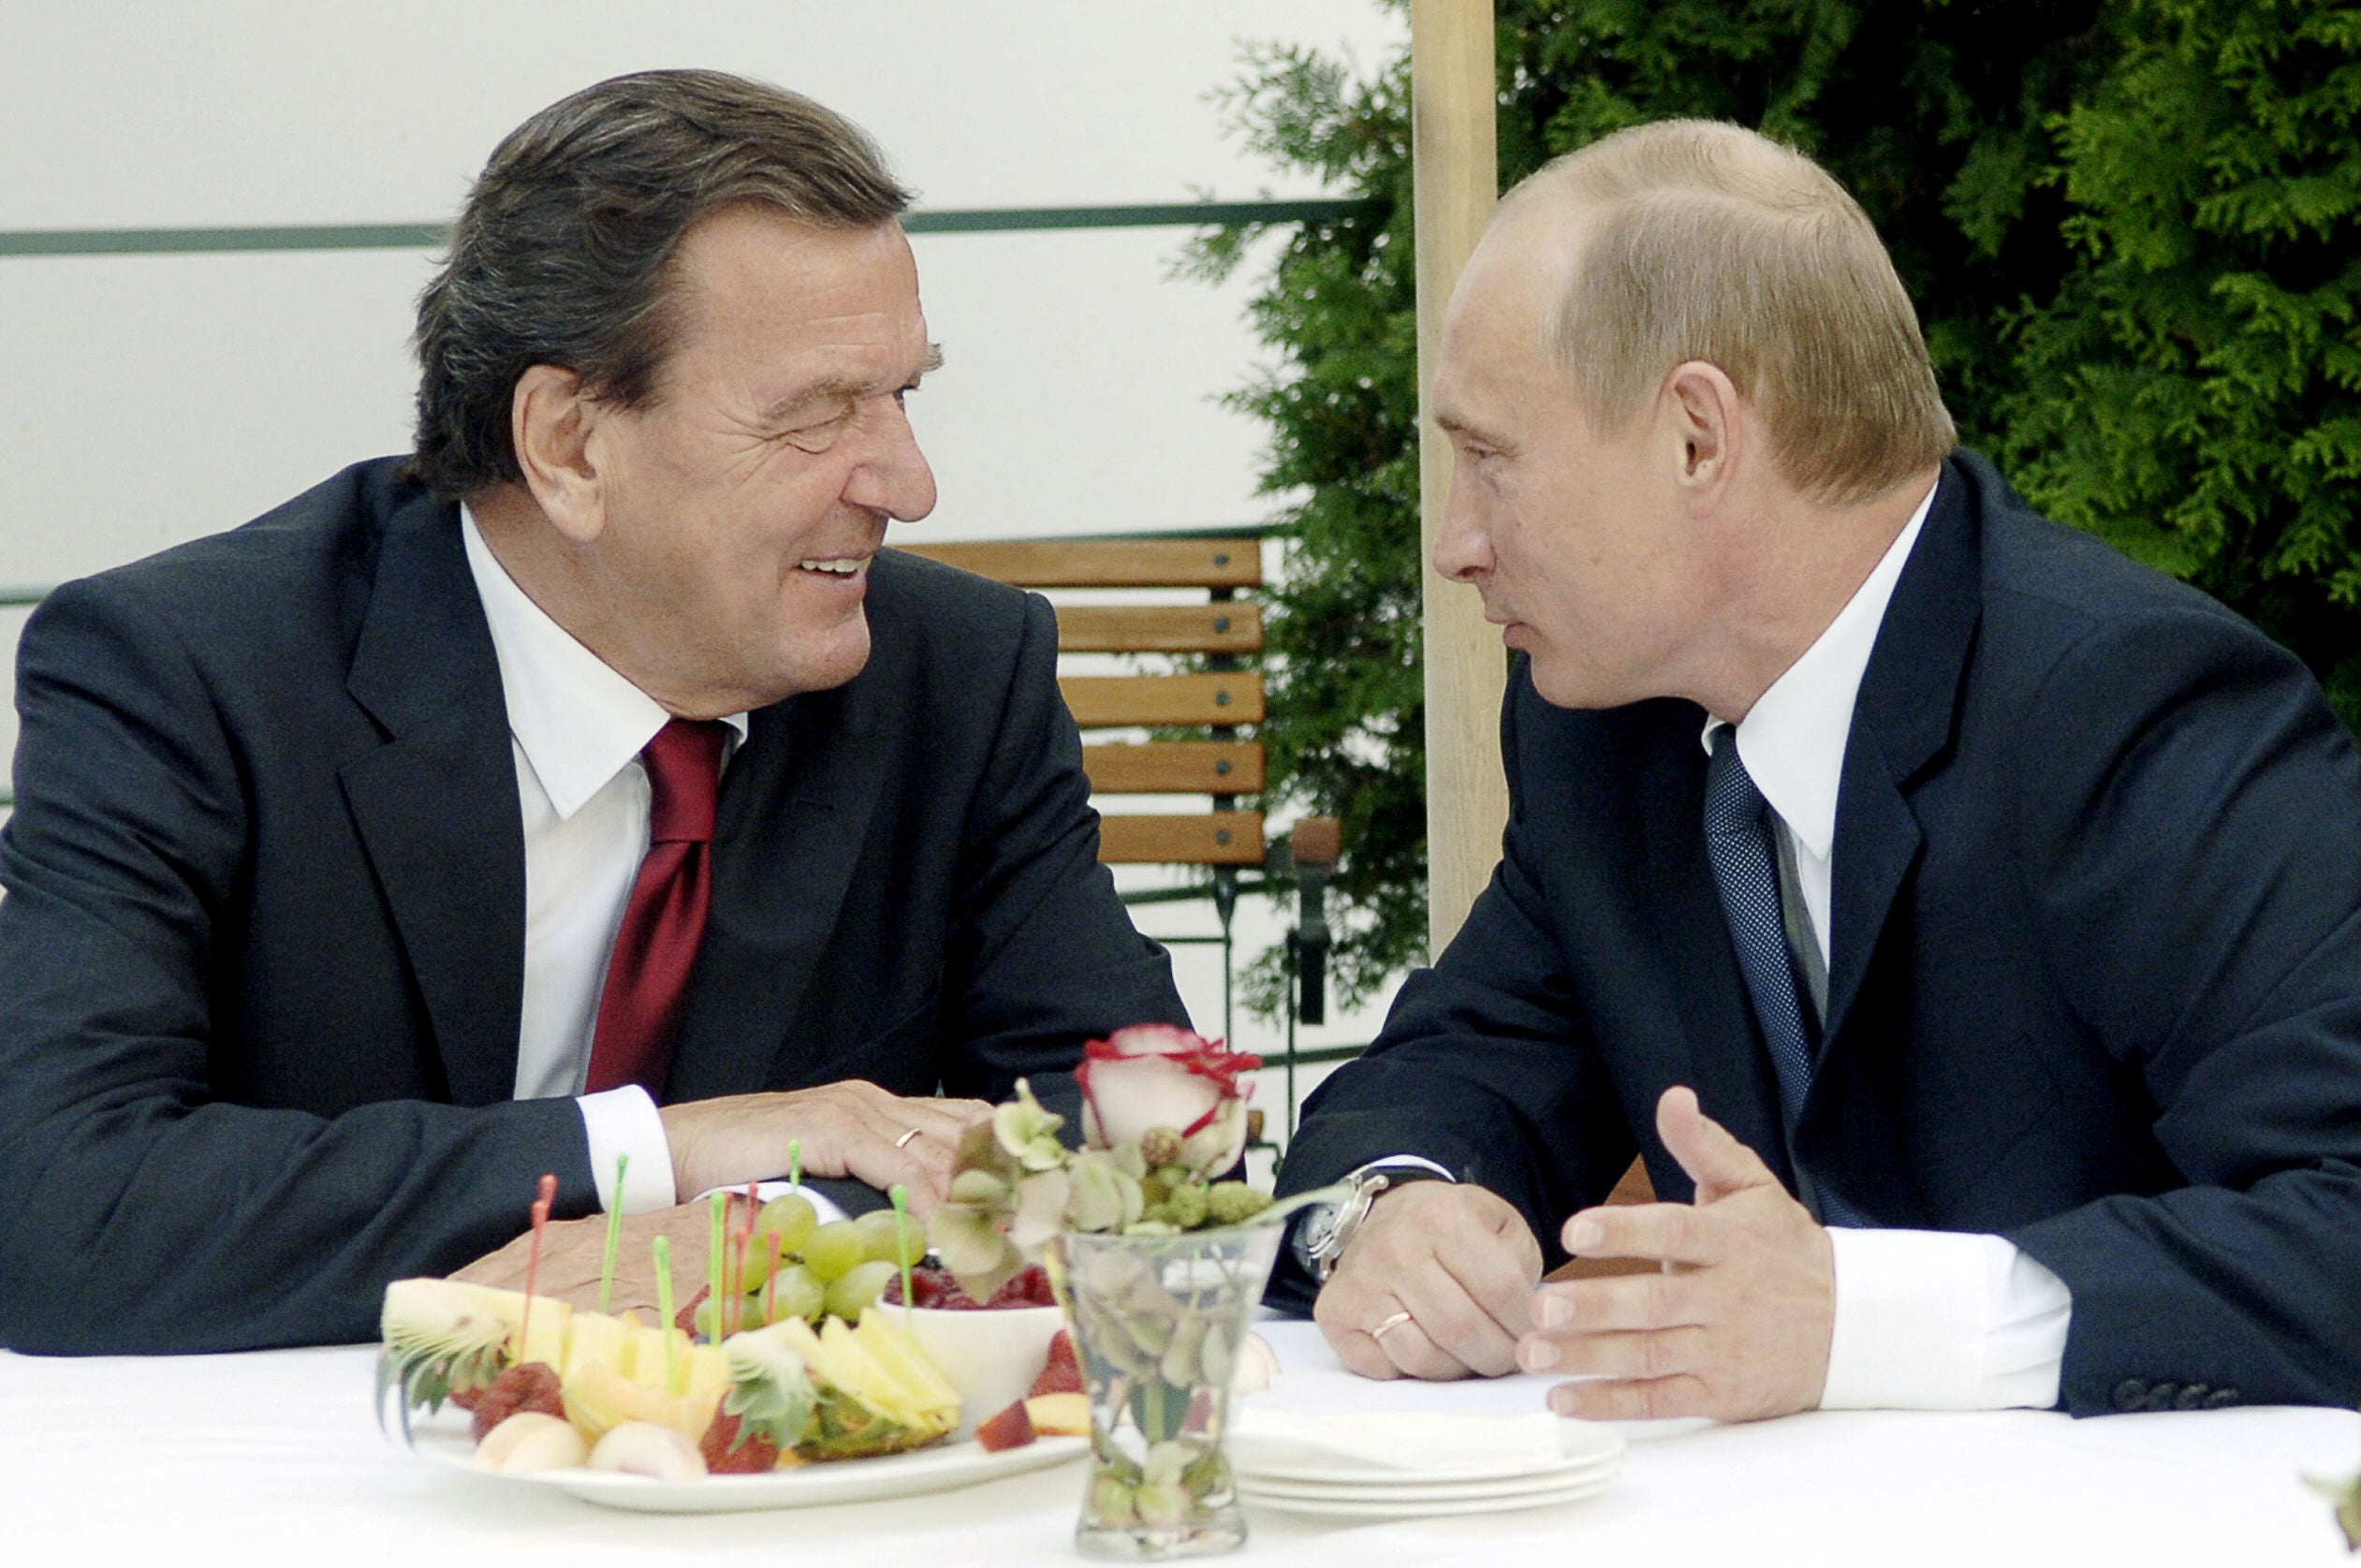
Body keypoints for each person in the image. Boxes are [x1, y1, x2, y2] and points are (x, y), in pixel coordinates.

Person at [0, 70, 1187, 1355]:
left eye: (903, 393)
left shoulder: (954, 676)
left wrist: (773, 1223)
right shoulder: (194, 673)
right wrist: (657, 1156)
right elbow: (62, 1204)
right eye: (814, 416)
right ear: (568, 443)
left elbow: (1145, 1123)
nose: (909, 482)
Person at [1271, 120, 2361, 1420]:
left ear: (1694, 437)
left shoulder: (2130, 713)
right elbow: (1462, 1065)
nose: (1454, 543)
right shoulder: (1601, 728)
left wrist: (1870, 1321)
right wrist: (1390, 1214)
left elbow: (2339, 1214)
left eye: (1491, 459)